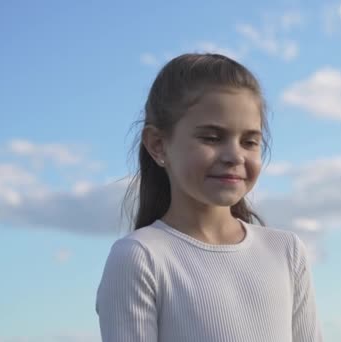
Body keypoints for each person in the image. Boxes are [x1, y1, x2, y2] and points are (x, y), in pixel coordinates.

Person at [95, 53, 323, 342]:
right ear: (158, 145)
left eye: (249, 142)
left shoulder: (287, 252)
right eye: (212, 138)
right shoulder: (140, 258)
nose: (235, 156)